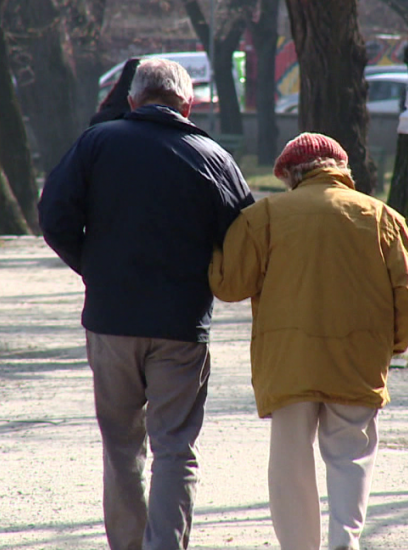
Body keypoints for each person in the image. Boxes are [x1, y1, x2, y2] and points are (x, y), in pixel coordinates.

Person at [38, 58, 254, 550]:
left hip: (111, 321)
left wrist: (91, 267)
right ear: (188, 103)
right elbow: (244, 238)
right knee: (175, 448)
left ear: (133, 100)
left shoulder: (96, 143)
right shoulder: (212, 156)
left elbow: (54, 215)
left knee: (121, 446)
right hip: (181, 324)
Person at [208, 133, 408, 550]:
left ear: (291, 174)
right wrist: (390, 344)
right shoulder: (382, 217)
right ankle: (344, 541)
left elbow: (229, 284)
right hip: (358, 358)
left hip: (289, 360)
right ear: (342, 171)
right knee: (351, 454)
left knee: (290, 458)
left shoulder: (267, 215)